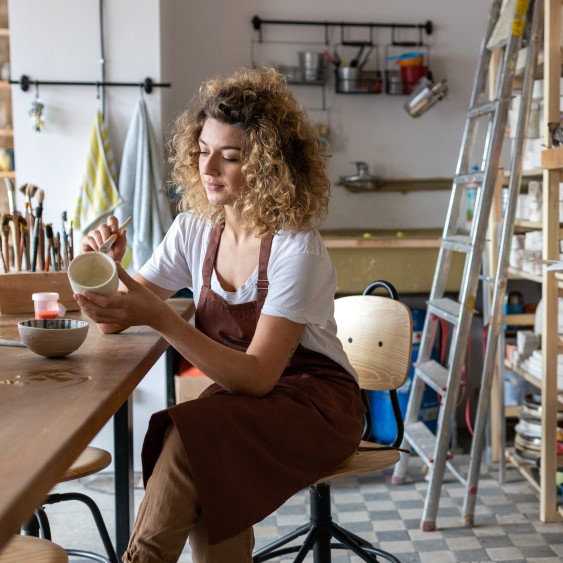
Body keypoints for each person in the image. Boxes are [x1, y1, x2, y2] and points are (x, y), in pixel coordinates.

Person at [76, 66, 365, 563]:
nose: (209, 168)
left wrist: (165, 319)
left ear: (268, 166)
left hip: (315, 403)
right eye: (203, 151)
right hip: (242, 396)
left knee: (191, 437)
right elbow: (111, 319)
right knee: (204, 456)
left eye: (229, 156)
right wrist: (104, 270)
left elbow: (257, 376)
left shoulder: (297, 250)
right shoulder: (192, 230)